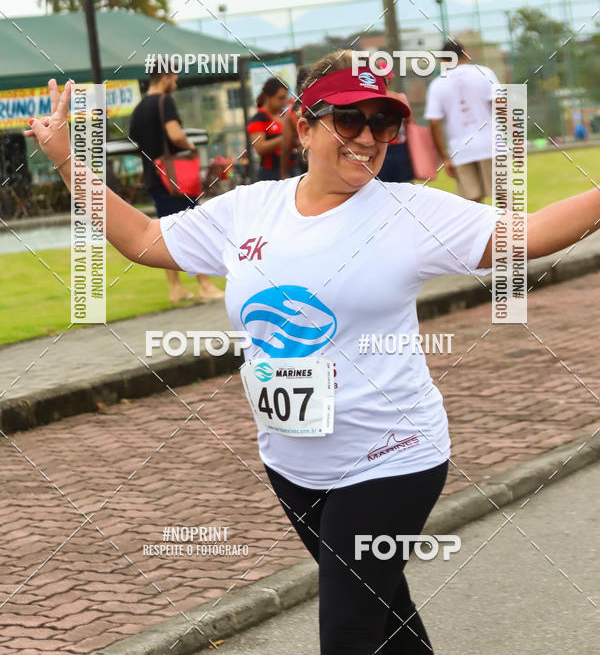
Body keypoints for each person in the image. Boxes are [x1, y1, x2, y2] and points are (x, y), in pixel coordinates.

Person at [29, 60, 600, 653]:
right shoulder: (250, 210)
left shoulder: (407, 214)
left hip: (391, 457)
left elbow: (530, 233)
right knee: (387, 623)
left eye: (383, 125)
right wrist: (69, 157)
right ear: (303, 128)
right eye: (348, 120)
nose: (367, 139)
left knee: (348, 633)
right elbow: (142, 240)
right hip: (293, 466)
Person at [128, 64, 223, 303]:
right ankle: (205, 285)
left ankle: (175, 289)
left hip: (153, 177)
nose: (176, 83)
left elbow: (135, 142)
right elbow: (175, 135)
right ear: (165, 77)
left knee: (164, 232)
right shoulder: (165, 102)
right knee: (195, 228)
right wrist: (190, 147)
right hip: (176, 179)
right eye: (175, 78)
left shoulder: (138, 108)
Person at [424, 39, 500, 202]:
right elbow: (501, 106)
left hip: (461, 150)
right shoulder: (484, 72)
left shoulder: (437, 84)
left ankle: (482, 229)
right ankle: (510, 229)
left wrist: (444, 156)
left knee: (472, 205)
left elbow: (434, 123)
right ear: (466, 54)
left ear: (444, 60)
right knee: (503, 200)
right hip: (491, 144)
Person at [375, 63, 414, 183]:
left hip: (377, 150)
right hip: (400, 150)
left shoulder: (372, 101)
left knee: (380, 191)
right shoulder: (399, 98)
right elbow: (410, 124)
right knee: (405, 190)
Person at [247, 78, 289, 180]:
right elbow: (260, 147)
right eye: (280, 98)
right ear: (268, 97)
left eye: (285, 98)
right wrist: (286, 138)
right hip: (270, 174)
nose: (284, 102)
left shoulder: (284, 116)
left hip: (290, 169)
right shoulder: (259, 118)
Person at [281, 66, 309, 179]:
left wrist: (283, 173)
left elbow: (286, 146)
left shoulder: (292, 113)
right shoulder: (323, 106)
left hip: (304, 160)